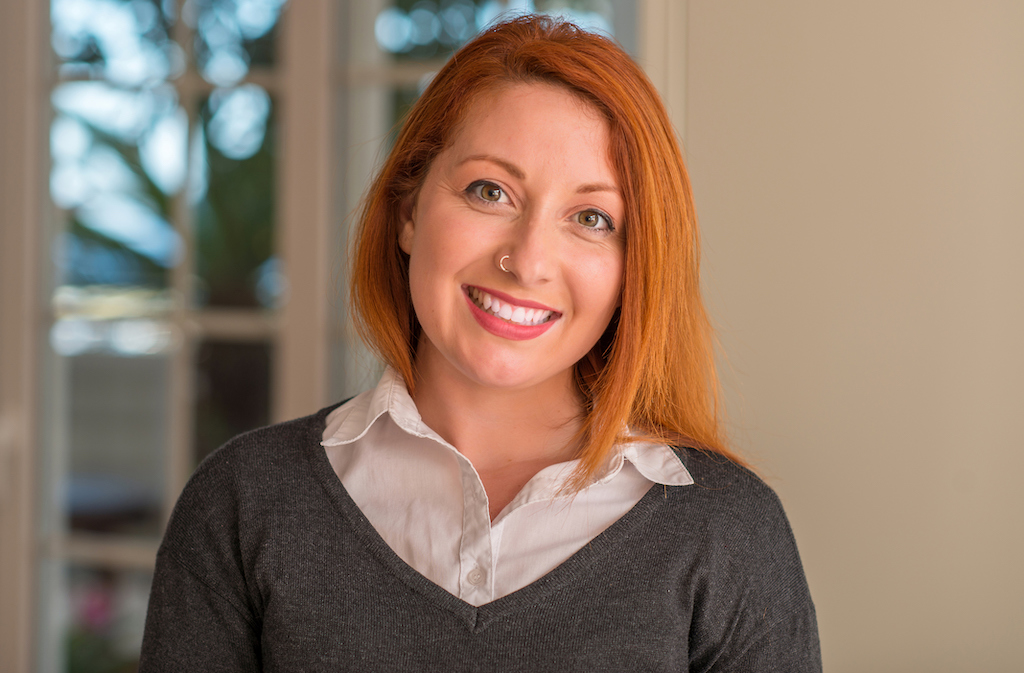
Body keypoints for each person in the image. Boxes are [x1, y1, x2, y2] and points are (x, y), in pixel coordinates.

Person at [140, 15, 820, 672]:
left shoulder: (729, 532)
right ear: (408, 211)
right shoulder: (242, 503)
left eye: (591, 218)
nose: (527, 261)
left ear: (633, 266)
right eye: (489, 191)